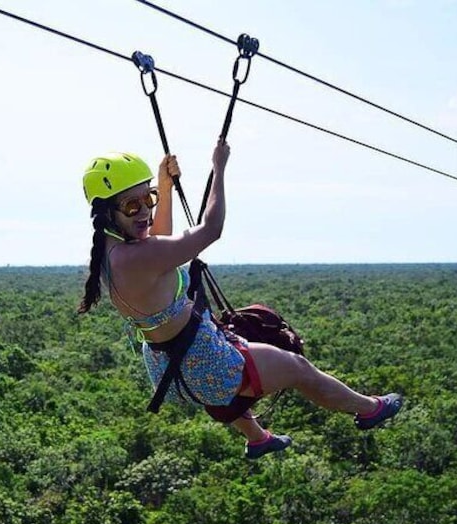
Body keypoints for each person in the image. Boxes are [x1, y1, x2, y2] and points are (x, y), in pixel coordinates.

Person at [78, 140, 402, 459]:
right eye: (133, 206)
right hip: (204, 360)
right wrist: (219, 167)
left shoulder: (111, 253)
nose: (146, 212)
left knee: (226, 379)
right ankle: (370, 409)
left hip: (169, 365)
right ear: (107, 212)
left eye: (149, 199)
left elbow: (158, 240)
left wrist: (164, 185)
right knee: (298, 368)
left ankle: (258, 438)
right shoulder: (136, 257)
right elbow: (211, 229)